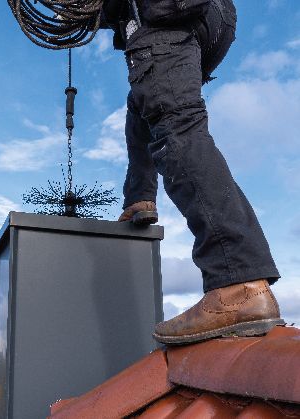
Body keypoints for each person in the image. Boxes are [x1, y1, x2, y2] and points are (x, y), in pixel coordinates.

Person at [101, 0, 285, 344]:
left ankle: (237, 284)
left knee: (176, 127)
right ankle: (139, 196)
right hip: (210, 18)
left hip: (162, 13)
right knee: (142, 102)